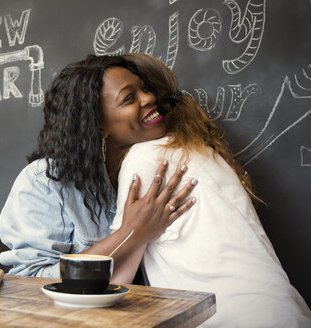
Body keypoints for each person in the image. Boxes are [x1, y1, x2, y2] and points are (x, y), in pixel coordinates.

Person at [108, 52, 311, 327]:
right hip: (281, 308)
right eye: (129, 96)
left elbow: (113, 278)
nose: (145, 99)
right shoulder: (200, 149)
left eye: (141, 91)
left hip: (229, 318)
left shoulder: (143, 158)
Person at [0, 55, 198, 282]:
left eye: (145, 88)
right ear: (98, 125)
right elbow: (30, 282)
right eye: (129, 98)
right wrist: (130, 234)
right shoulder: (44, 182)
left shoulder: (167, 165)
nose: (149, 98)